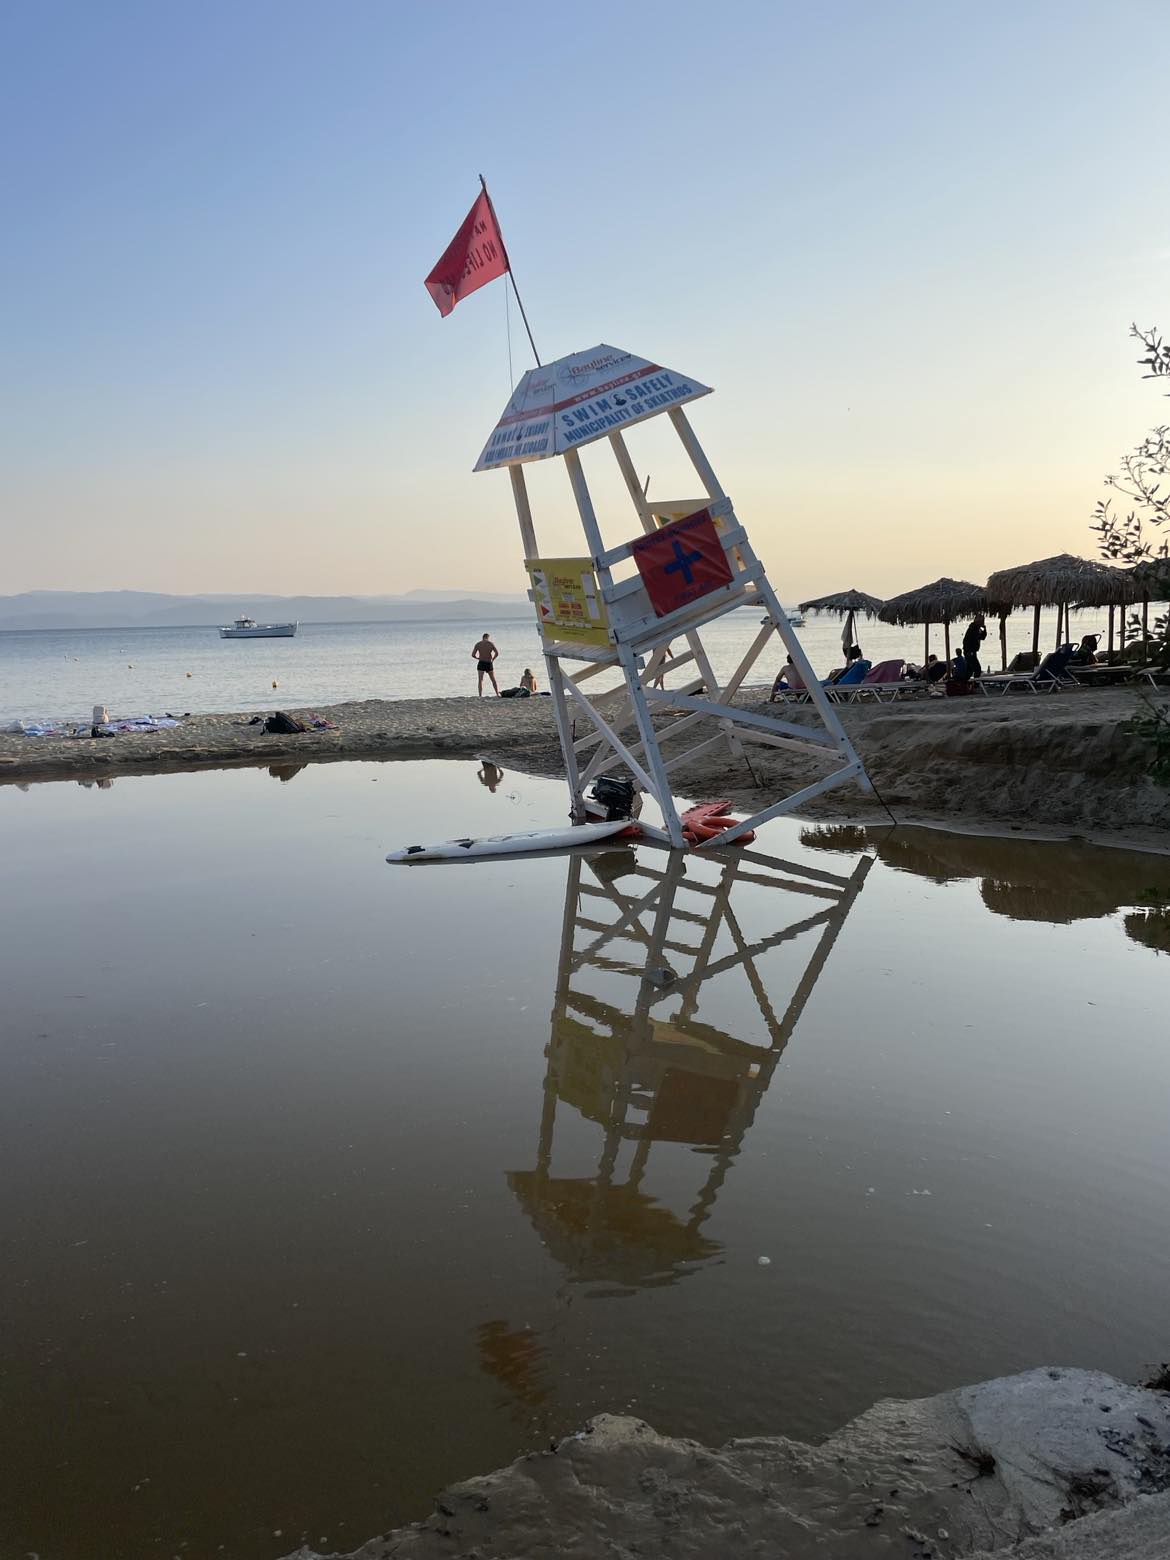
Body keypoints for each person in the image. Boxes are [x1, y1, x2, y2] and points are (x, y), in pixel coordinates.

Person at [472, 632, 500, 696]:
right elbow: (497, 653)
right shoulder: (490, 644)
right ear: (488, 637)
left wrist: (478, 658)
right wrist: (493, 659)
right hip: (488, 662)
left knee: (480, 680)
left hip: (481, 662)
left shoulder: (478, 644)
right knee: (493, 679)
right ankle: (497, 693)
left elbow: (473, 655)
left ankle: (480, 695)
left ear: (482, 637)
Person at [962, 613, 987, 679]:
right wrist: (969, 651)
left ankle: (965, 682)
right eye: (982, 621)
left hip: (972, 651)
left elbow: (983, 637)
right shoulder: (973, 628)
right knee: (977, 669)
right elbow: (967, 641)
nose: (983, 622)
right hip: (969, 652)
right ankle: (975, 682)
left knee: (970, 669)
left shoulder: (977, 628)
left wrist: (984, 629)